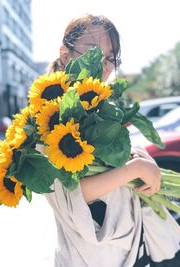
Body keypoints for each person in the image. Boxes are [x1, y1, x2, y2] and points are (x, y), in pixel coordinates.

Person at [41, 14, 180, 267]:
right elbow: (69, 194)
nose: (103, 64)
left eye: (111, 57)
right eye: (93, 52)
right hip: (91, 257)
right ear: (65, 55)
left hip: (126, 250)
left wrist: (138, 157)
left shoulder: (97, 106)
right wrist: (134, 169)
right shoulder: (47, 115)